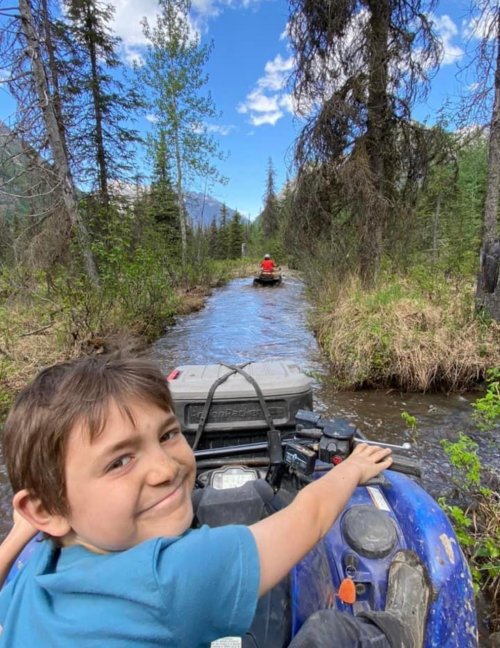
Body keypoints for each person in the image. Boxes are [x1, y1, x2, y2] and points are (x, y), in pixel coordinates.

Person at [0, 353, 428, 647]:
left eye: (168, 435)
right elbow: (311, 515)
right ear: (45, 510)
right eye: (119, 462)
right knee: (331, 631)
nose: (165, 468)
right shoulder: (167, 578)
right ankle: (398, 629)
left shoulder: (31, 577)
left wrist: (20, 535)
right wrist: (350, 468)